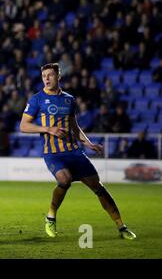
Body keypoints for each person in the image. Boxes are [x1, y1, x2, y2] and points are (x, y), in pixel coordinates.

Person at [20, 63, 136, 240]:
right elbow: (24, 126)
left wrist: (89, 144)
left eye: (50, 75)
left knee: (99, 188)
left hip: (74, 152)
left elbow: (75, 127)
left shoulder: (69, 99)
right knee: (64, 180)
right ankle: (51, 216)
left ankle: (122, 227)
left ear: (59, 76)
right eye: (44, 76)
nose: (47, 79)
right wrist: (48, 129)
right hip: (53, 153)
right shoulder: (36, 99)